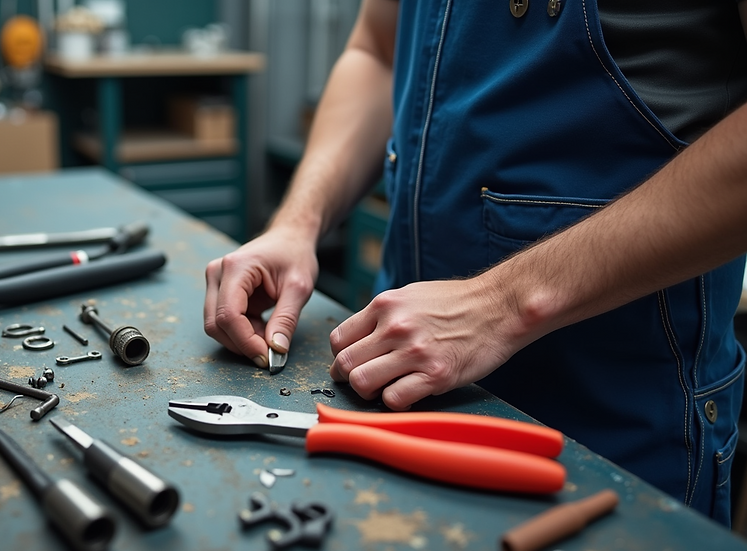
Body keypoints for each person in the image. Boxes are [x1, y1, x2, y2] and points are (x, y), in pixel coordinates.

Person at [203, 0, 747, 525]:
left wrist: (504, 302)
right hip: (393, 387)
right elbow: (378, 50)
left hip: (618, 430)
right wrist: (299, 221)